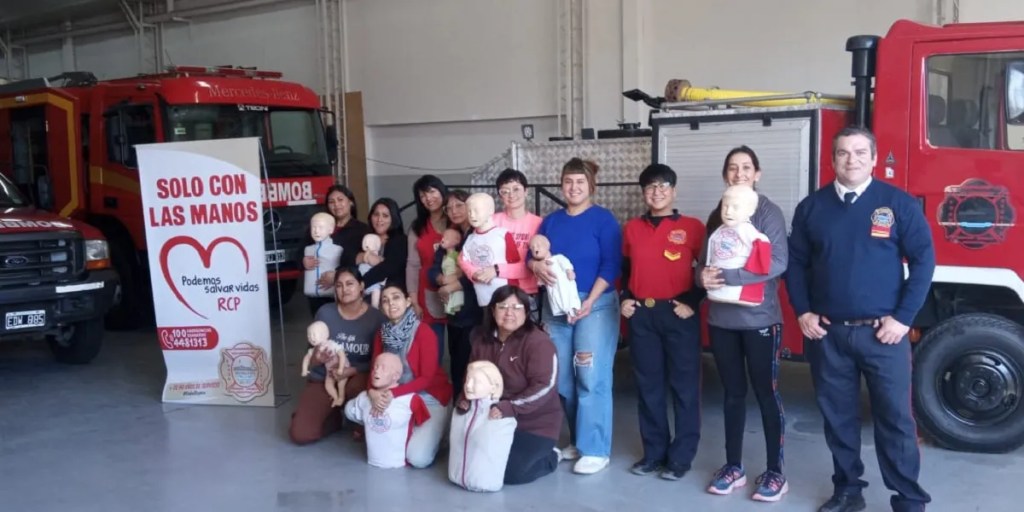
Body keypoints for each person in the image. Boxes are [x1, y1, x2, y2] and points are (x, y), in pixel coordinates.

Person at [786, 126, 935, 512]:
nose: (851, 159)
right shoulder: (811, 208)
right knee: (839, 419)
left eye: (859, 152)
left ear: (873, 158)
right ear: (832, 159)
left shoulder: (897, 204)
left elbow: (923, 262)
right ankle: (848, 490)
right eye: (842, 153)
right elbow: (796, 264)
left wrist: (902, 320)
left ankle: (908, 497)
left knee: (896, 419)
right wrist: (802, 310)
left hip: (882, 335)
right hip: (828, 335)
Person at [698, 146, 790, 502]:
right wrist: (702, 277)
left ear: (758, 173)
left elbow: (777, 262)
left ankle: (775, 473)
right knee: (733, 394)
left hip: (759, 321)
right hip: (721, 321)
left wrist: (727, 276)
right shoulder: (717, 214)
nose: (739, 173)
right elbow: (701, 264)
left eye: (746, 167)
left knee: (766, 394)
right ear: (725, 175)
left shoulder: (767, 213)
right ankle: (733, 466)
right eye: (733, 168)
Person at [530, 157, 622, 475]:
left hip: (594, 306)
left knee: (590, 376)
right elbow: (535, 254)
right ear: (561, 185)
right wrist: (534, 266)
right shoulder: (551, 221)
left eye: (580, 182)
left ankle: (596, 449)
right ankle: (579, 442)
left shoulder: (604, 220)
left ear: (591, 186)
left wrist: (589, 302)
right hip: (556, 307)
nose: (573, 187)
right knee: (563, 380)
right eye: (568, 181)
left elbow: (611, 265)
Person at [620, 163, 706, 481]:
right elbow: (627, 271)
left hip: (677, 314)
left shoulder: (693, 227)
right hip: (642, 316)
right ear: (643, 193)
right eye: (650, 187)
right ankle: (654, 453)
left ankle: (680, 458)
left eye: (663, 186)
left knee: (684, 388)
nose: (656, 192)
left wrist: (693, 302)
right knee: (649, 387)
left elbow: (708, 270)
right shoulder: (631, 229)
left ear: (674, 190)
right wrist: (624, 298)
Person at [462, 285, 563, 485]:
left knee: (510, 473)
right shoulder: (481, 340)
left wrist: (509, 407)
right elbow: (472, 374)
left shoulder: (538, 343)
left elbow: (545, 386)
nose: (509, 313)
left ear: (526, 312)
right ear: (492, 310)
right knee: (475, 463)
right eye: (503, 307)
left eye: (517, 308)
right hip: (492, 418)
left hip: (533, 424)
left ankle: (551, 456)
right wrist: (464, 399)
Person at [289, 266, 385, 445]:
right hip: (325, 377)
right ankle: (332, 418)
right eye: (339, 285)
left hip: (358, 377)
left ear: (361, 286)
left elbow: (379, 361)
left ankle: (360, 421)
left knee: (362, 389)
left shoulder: (376, 318)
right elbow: (310, 353)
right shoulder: (325, 313)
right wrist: (318, 359)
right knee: (301, 434)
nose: (344, 289)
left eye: (350, 284)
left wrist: (352, 370)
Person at [369, 283, 453, 468]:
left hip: (428, 397)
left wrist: (392, 394)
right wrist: (372, 392)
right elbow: (373, 370)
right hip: (398, 398)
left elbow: (427, 378)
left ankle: (444, 426)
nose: (391, 303)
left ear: (408, 301)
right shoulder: (381, 334)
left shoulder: (424, 332)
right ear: (381, 307)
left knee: (417, 458)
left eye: (396, 297)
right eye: (385, 300)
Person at [460, 169, 542, 320]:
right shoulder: (490, 220)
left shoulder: (538, 224)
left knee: (526, 340)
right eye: (505, 191)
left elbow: (535, 265)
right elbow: (467, 255)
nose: (511, 194)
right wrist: (474, 274)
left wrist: (497, 270)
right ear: (499, 196)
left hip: (526, 293)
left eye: (516, 189)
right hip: (493, 294)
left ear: (526, 191)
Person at [428, 189, 483, 391]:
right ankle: (458, 411)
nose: (454, 211)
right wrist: (441, 279)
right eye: (449, 207)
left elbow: (479, 274)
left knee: (473, 366)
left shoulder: (480, 235)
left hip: (476, 313)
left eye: (459, 205)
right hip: (454, 315)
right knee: (457, 366)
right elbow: (432, 269)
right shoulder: (451, 237)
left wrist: (452, 285)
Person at [302, 184, 371, 315]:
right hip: (319, 296)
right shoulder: (317, 227)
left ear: (350, 202)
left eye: (340, 200)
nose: (336, 205)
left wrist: (337, 276)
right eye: (331, 202)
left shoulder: (362, 230)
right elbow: (300, 252)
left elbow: (365, 264)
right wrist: (303, 261)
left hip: (348, 294)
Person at [406, 175, 449, 357]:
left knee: (462, 348)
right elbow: (413, 265)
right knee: (433, 348)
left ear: (441, 191)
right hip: (428, 293)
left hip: (459, 292)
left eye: (432, 191)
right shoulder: (417, 228)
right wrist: (414, 301)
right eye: (422, 195)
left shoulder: (456, 219)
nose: (428, 198)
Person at [357, 198, 408, 295]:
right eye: (376, 214)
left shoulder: (401, 240)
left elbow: (388, 267)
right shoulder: (365, 237)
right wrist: (365, 257)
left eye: (385, 216)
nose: (379, 219)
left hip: (391, 296)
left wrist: (362, 283)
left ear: (393, 218)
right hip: (363, 295)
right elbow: (347, 258)